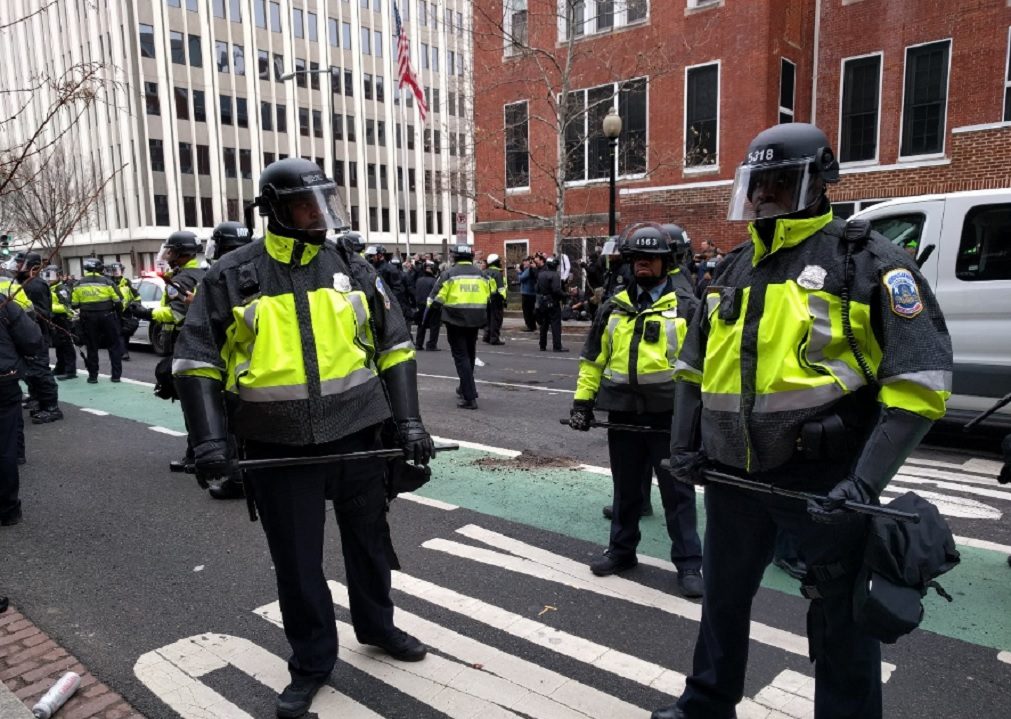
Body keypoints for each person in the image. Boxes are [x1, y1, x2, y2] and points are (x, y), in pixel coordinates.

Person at [652, 123, 953, 719]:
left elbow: (920, 384)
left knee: (842, 616)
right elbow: (692, 369)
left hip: (824, 481)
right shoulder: (733, 268)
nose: (764, 197)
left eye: (781, 183)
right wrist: (683, 445)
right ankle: (707, 703)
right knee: (723, 599)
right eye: (757, 184)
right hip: (735, 478)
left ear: (820, 184)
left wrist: (864, 483)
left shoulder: (867, 263)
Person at [172, 158, 434, 718]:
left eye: (325, 203)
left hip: (359, 434)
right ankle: (312, 663)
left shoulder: (354, 268)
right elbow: (196, 362)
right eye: (305, 206)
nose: (320, 216)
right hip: (278, 446)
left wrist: (409, 422)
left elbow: (395, 346)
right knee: (297, 564)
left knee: (370, 545)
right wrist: (209, 443)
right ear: (273, 212)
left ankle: (378, 626)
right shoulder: (230, 275)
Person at [569, 224, 703, 597]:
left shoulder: (687, 307)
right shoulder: (613, 307)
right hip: (623, 413)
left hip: (670, 416)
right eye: (637, 258)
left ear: (666, 262)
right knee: (626, 490)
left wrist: (701, 416)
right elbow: (593, 360)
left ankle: (690, 564)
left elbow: (703, 367)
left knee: (678, 494)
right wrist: (582, 401)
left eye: (652, 259)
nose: (644, 264)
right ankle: (622, 551)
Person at [131, 231, 207, 471]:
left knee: (191, 402)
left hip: (187, 343)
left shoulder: (182, 279)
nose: (168, 255)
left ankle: (196, 454)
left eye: (171, 251)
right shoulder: (201, 273)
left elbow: (175, 314)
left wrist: (145, 312)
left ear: (182, 253)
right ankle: (198, 452)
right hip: (202, 343)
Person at [200, 220, 254, 501]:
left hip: (235, 369)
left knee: (233, 425)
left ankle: (237, 478)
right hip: (273, 371)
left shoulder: (219, 275)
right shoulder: (265, 268)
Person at [428, 244, 490, 410]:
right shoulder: (482, 274)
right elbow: (489, 296)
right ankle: (464, 387)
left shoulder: (448, 274)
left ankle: (470, 397)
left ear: (454, 257)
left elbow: (435, 299)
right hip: (475, 321)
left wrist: (428, 315)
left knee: (461, 357)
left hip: (455, 321)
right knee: (469, 355)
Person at [0, 290, 43, 527]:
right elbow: (32, 340)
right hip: (4, 379)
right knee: (5, 446)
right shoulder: (5, 303)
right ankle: (7, 510)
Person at [14, 252, 62, 424]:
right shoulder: (25, 283)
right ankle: (38, 400)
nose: (17, 267)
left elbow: (41, 313)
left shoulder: (35, 285)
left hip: (36, 334)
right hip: (28, 334)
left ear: (31, 266)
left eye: (20, 264)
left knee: (40, 371)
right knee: (30, 371)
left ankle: (51, 407)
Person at [70, 257, 123, 384]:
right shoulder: (108, 282)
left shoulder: (78, 284)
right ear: (100, 268)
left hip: (88, 317)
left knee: (92, 347)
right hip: (107, 315)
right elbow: (118, 300)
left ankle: (93, 376)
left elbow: (74, 304)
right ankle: (116, 376)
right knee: (114, 345)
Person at [46, 266, 77, 380]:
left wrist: (49, 307)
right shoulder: (51, 288)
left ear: (58, 276)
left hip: (63, 319)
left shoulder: (61, 288)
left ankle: (70, 371)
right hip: (54, 319)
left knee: (67, 345)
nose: (49, 278)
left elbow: (66, 307)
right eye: (47, 275)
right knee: (59, 345)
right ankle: (60, 367)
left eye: (52, 275)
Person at [106, 262, 139, 360]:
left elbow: (136, 295)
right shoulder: (108, 282)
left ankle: (123, 350)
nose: (116, 273)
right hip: (114, 311)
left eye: (118, 270)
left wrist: (136, 305)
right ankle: (124, 352)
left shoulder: (126, 282)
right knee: (118, 332)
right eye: (114, 271)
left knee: (126, 332)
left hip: (127, 311)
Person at [535, 256, 568, 352]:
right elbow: (556, 290)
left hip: (542, 302)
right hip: (553, 302)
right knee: (555, 324)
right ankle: (557, 346)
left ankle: (542, 345)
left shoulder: (541, 275)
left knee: (544, 324)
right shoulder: (555, 275)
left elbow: (537, 288)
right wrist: (565, 295)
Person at [413, 261, 441, 351]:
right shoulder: (435, 281)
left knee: (421, 325)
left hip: (420, 305)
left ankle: (418, 344)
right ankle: (431, 345)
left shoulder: (419, 280)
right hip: (433, 305)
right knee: (434, 326)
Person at [483, 253, 506, 345]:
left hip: (486, 299)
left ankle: (487, 336)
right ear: (496, 262)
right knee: (496, 319)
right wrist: (504, 299)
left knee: (488, 318)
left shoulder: (484, 272)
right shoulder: (497, 273)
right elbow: (501, 289)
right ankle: (494, 338)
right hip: (496, 299)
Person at [517, 257, 539, 331]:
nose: (524, 263)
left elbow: (521, 278)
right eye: (523, 262)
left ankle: (530, 326)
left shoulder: (528, 270)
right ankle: (532, 325)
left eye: (526, 262)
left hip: (527, 293)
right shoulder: (530, 270)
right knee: (530, 310)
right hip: (531, 293)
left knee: (527, 311)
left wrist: (519, 272)